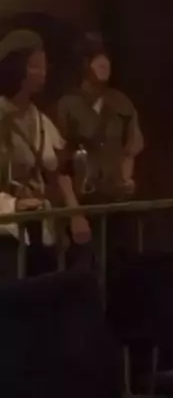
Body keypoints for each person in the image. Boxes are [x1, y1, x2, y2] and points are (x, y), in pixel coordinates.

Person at [0, 29, 90, 278]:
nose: (42, 73)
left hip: (43, 231)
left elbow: (57, 173)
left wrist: (75, 214)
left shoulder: (41, 121)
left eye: (43, 66)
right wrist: (15, 205)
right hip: (7, 237)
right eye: (34, 66)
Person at [56, 38, 143, 203]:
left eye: (105, 58)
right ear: (83, 64)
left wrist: (126, 178)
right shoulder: (67, 105)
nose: (104, 64)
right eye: (95, 58)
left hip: (117, 195)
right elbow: (59, 155)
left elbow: (132, 145)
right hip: (82, 196)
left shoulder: (121, 102)